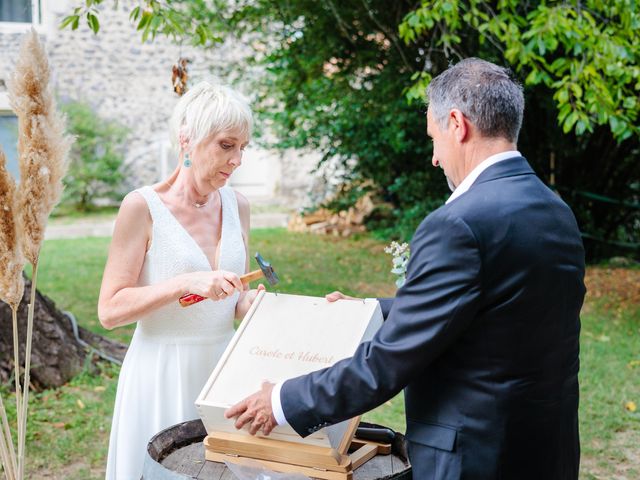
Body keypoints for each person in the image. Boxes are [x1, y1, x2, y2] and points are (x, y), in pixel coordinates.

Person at [226, 58, 586, 479]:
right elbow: (493, 307)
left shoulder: (458, 223)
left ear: (458, 124)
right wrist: (371, 310)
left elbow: (385, 365)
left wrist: (282, 401)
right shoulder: (555, 209)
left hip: (475, 456)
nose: (434, 158)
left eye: (434, 139)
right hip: (546, 448)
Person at [99, 81, 263, 480]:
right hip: (162, 372)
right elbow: (109, 310)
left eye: (243, 147)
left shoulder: (237, 205)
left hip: (225, 369)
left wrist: (248, 305)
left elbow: (231, 298)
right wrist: (183, 283)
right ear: (187, 139)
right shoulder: (142, 207)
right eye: (227, 145)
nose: (237, 158)